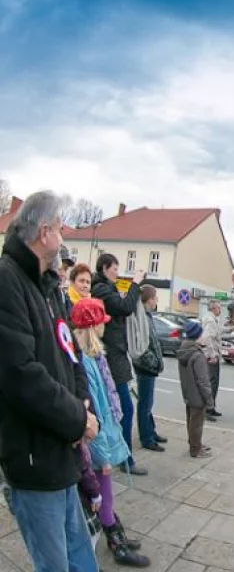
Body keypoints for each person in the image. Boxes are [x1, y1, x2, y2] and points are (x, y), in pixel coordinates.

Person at [0, 190, 99, 572]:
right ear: (44, 232)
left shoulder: (47, 286)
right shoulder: (7, 281)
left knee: (82, 560)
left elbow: (70, 352)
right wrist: (76, 418)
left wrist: (84, 407)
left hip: (62, 453)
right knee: (55, 564)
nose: (64, 237)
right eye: (60, 229)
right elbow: (20, 375)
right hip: (33, 459)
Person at [71, 298, 151, 567]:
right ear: (93, 327)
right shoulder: (86, 362)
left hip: (101, 440)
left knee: (104, 495)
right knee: (101, 496)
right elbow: (95, 414)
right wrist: (103, 457)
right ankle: (116, 545)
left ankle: (116, 535)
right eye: (102, 323)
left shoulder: (93, 358)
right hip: (96, 445)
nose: (106, 327)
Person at [91, 253, 148, 476]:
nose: (117, 272)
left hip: (117, 355)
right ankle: (125, 459)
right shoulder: (102, 289)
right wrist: (135, 283)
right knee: (124, 408)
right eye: (115, 268)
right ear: (105, 268)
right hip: (113, 356)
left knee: (121, 408)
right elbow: (125, 307)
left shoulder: (105, 288)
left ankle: (122, 457)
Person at [132, 285, 167, 452]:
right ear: (149, 299)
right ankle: (146, 438)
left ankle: (151, 432)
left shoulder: (147, 316)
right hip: (145, 367)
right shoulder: (141, 317)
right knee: (145, 403)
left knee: (148, 402)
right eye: (155, 297)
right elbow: (142, 346)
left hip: (149, 368)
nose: (156, 301)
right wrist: (153, 362)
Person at [177, 321, 213, 459]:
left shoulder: (184, 350)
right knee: (197, 423)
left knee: (191, 421)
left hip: (188, 393)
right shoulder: (197, 355)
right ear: (197, 336)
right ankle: (196, 450)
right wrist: (209, 400)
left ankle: (194, 443)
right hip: (198, 396)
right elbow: (203, 381)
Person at [200, 301, 225, 419]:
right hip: (211, 358)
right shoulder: (210, 320)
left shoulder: (213, 319)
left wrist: (231, 328)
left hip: (212, 356)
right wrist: (212, 355)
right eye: (219, 308)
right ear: (214, 308)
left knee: (213, 383)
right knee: (211, 383)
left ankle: (211, 407)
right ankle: (208, 409)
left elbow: (218, 332)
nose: (220, 310)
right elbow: (207, 338)